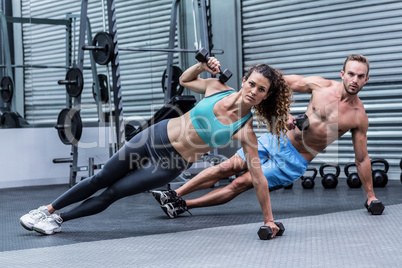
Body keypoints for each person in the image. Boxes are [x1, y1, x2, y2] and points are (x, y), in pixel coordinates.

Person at [19, 57, 291, 236]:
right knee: (100, 177)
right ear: (244, 81)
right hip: (153, 137)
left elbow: (258, 177)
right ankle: (47, 210)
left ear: (266, 96)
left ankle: (58, 220)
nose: (254, 91)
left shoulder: (244, 130)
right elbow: (184, 81)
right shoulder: (216, 87)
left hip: (168, 165)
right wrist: (201, 67)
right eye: (252, 83)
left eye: (261, 89)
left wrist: (269, 219)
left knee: (113, 193)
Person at [152, 54, 384, 222]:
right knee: (228, 166)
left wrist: (371, 197)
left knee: (240, 183)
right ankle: (173, 194)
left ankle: (182, 205)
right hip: (277, 139)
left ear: (366, 80)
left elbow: (362, 159)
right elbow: (273, 82)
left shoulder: (358, 117)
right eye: (351, 73)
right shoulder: (319, 86)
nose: (354, 79)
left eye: (360, 76)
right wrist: (284, 113)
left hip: (294, 160)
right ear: (342, 74)